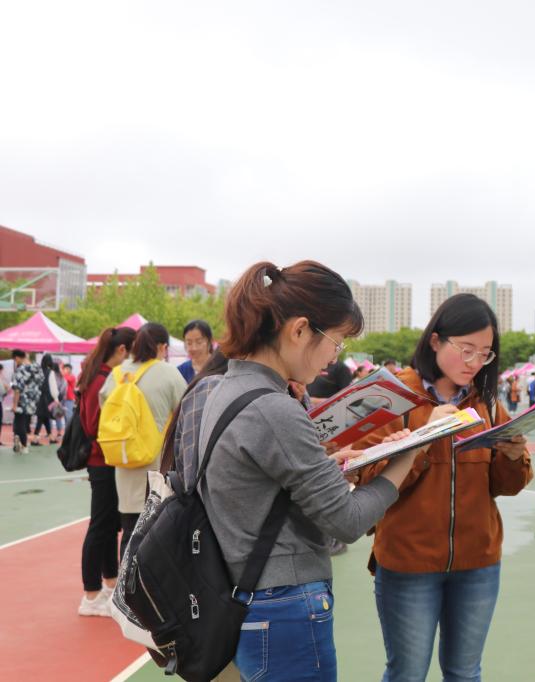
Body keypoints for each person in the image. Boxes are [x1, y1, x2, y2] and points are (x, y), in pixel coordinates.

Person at [197, 260, 418, 681]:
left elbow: (260, 486)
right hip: (285, 604)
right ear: (299, 330)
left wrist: (327, 468)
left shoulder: (227, 389)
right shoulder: (274, 407)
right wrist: (405, 458)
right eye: (337, 341)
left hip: (248, 594)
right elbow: (347, 521)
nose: (335, 356)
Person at [351, 293, 532, 682]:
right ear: (435, 341)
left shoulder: (485, 403)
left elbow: (505, 487)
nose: (475, 362)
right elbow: (365, 478)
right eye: (466, 349)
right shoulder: (390, 395)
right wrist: (422, 437)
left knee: (465, 673)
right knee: (407, 674)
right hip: (407, 563)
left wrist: (514, 456)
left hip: (478, 563)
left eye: (484, 353)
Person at [100, 323, 187, 559]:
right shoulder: (168, 373)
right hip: (158, 464)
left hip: (125, 461)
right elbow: (186, 413)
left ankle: (125, 580)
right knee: (156, 535)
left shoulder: (117, 374)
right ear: (163, 347)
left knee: (129, 531)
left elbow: (104, 407)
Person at [76, 326, 137, 617]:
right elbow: (94, 424)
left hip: (107, 460)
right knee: (100, 526)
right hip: (101, 461)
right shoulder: (101, 379)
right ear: (123, 350)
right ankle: (90, 594)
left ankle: (109, 584)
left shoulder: (102, 375)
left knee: (110, 525)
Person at [9, 349, 43, 454]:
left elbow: (17, 389)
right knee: (25, 422)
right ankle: (18, 440)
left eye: (15, 360)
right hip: (33, 400)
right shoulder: (37, 367)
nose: (15, 362)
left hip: (22, 400)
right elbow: (41, 381)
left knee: (19, 422)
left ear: (17, 358)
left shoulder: (20, 370)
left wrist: (14, 405)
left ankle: (23, 445)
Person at [31, 353, 61, 445]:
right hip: (47, 398)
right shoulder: (50, 372)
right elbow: (53, 387)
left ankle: (51, 438)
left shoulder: (38, 371)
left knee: (45, 417)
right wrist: (56, 398)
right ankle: (35, 439)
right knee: (41, 418)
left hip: (38, 397)